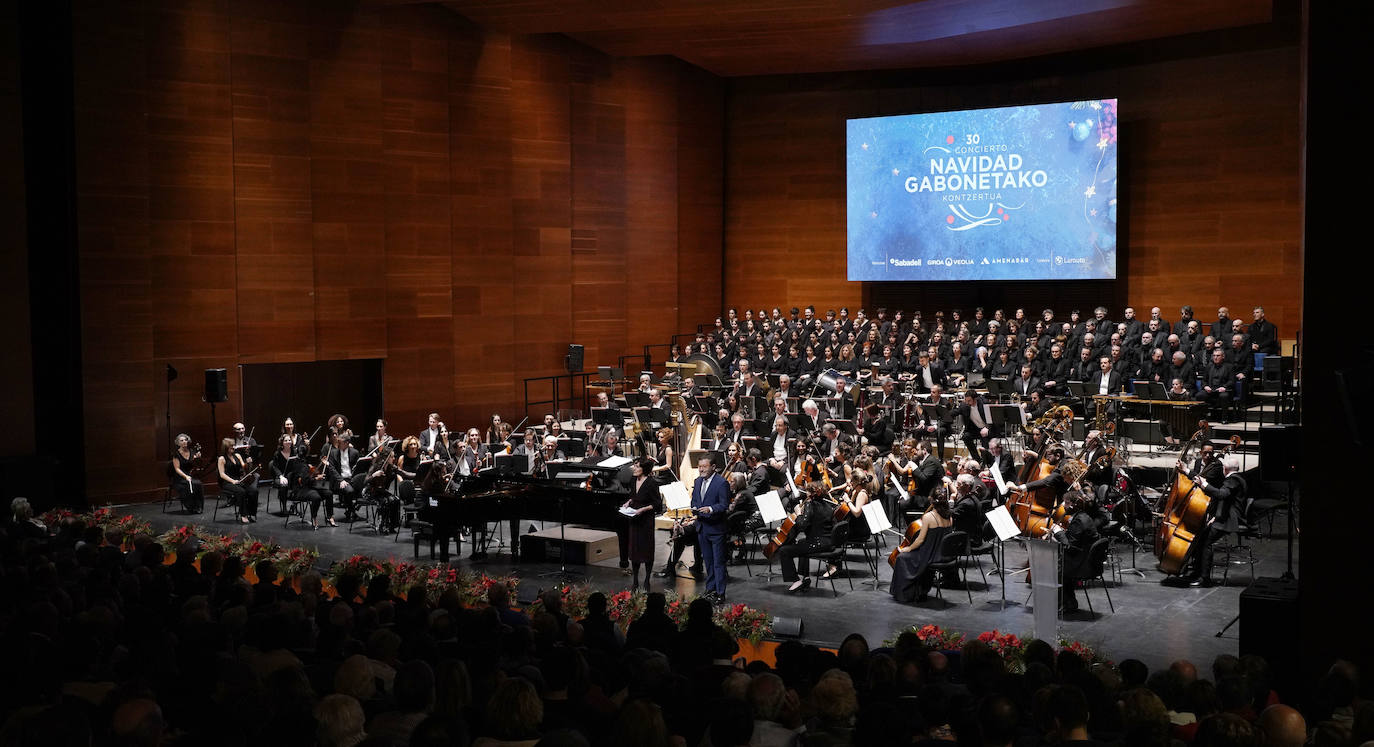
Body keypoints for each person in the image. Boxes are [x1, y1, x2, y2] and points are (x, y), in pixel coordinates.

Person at [890, 493, 953, 603]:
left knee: (901, 558)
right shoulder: (949, 517)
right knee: (906, 557)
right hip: (943, 555)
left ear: (932, 501)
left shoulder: (928, 517)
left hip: (929, 555)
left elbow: (920, 540)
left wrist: (908, 549)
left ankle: (906, 595)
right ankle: (921, 590)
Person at [1049, 490, 1102, 613]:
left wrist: (1058, 532)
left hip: (1081, 564)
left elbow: (1070, 547)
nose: (1064, 506)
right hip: (1087, 560)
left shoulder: (1079, 520)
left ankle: (1064, 603)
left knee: (1055, 566)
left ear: (1074, 504)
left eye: (1067, 503)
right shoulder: (1084, 517)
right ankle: (1070, 601)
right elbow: (1075, 539)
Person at [779, 482, 837, 593]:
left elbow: (801, 526)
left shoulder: (810, 505)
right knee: (801, 542)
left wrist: (799, 514)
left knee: (784, 551)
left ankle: (795, 580)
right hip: (829, 542)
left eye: (807, 491)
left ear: (811, 493)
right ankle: (804, 577)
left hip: (818, 543)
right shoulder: (829, 505)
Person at [690, 456, 731, 603]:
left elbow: (724, 505)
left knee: (718, 562)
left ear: (713, 467)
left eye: (704, 467)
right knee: (708, 561)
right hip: (702, 528)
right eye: (699, 466)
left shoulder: (721, 483)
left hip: (716, 529)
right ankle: (710, 589)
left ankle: (720, 592)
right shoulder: (698, 481)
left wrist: (711, 509)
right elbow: (694, 500)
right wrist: (694, 508)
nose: (701, 469)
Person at [622, 457, 663, 591]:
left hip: (646, 520)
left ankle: (646, 580)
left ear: (644, 469)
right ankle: (635, 581)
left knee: (646, 549)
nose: (634, 468)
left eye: (637, 466)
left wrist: (643, 509)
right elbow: (633, 496)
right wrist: (629, 502)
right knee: (634, 550)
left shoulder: (651, 483)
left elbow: (657, 504)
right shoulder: (633, 480)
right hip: (634, 518)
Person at [217, 437, 259, 524]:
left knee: (253, 491)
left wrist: (248, 463)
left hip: (239, 481)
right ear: (226, 447)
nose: (233, 447)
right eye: (231, 446)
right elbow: (222, 474)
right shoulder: (221, 459)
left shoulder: (238, 456)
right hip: (227, 483)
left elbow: (244, 467)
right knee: (241, 492)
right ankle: (243, 515)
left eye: (233, 445)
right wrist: (232, 481)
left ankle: (251, 513)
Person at [169, 433, 205, 513]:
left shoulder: (192, 451)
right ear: (178, 443)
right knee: (190, 484)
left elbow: (195, 465)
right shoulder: (176, 454)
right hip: (180, 477)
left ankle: (199, 506)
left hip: (190, 475)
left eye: (185, 440)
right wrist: (185, 476)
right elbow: (177, 469)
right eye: (182, 440)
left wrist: (198, 458)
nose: (184, 441)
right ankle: (191, 507)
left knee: (198, 484)